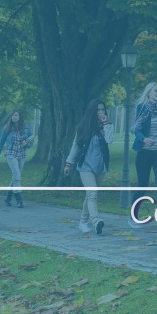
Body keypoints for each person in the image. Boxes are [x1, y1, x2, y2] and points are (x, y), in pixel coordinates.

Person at [128, 82, 157, 230]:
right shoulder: (141, 108)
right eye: (156, 91)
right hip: (144, 152)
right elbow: (136, 128)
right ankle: (133, 217)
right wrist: (144, 139)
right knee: (142, 186)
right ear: (148, 93)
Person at [64, 99, 114, 235]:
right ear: (92, 111)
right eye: (98, 110)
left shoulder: (106, 126)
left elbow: (110, 140)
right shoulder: (83, 127)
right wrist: (69, 163)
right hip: (85, 166)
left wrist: (105, 124)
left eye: (103, 109)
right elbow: (76, 145)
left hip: (100, 166)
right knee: (93, 194)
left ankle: (82, 222)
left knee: (89, 195)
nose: (101, 112)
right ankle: (96, 221)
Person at [0, 110, 35, 208]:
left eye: (16, 115)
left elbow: (32, 139)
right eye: (12, 115)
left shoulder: (26, 127)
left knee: (16, 176)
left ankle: (8, 198)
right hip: (11, 152)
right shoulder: (7, 127)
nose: (14, 117)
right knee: (16, 175)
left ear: (20, 116)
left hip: (21, 153)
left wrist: (28, 144)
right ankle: (19, 200)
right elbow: (1, 142)